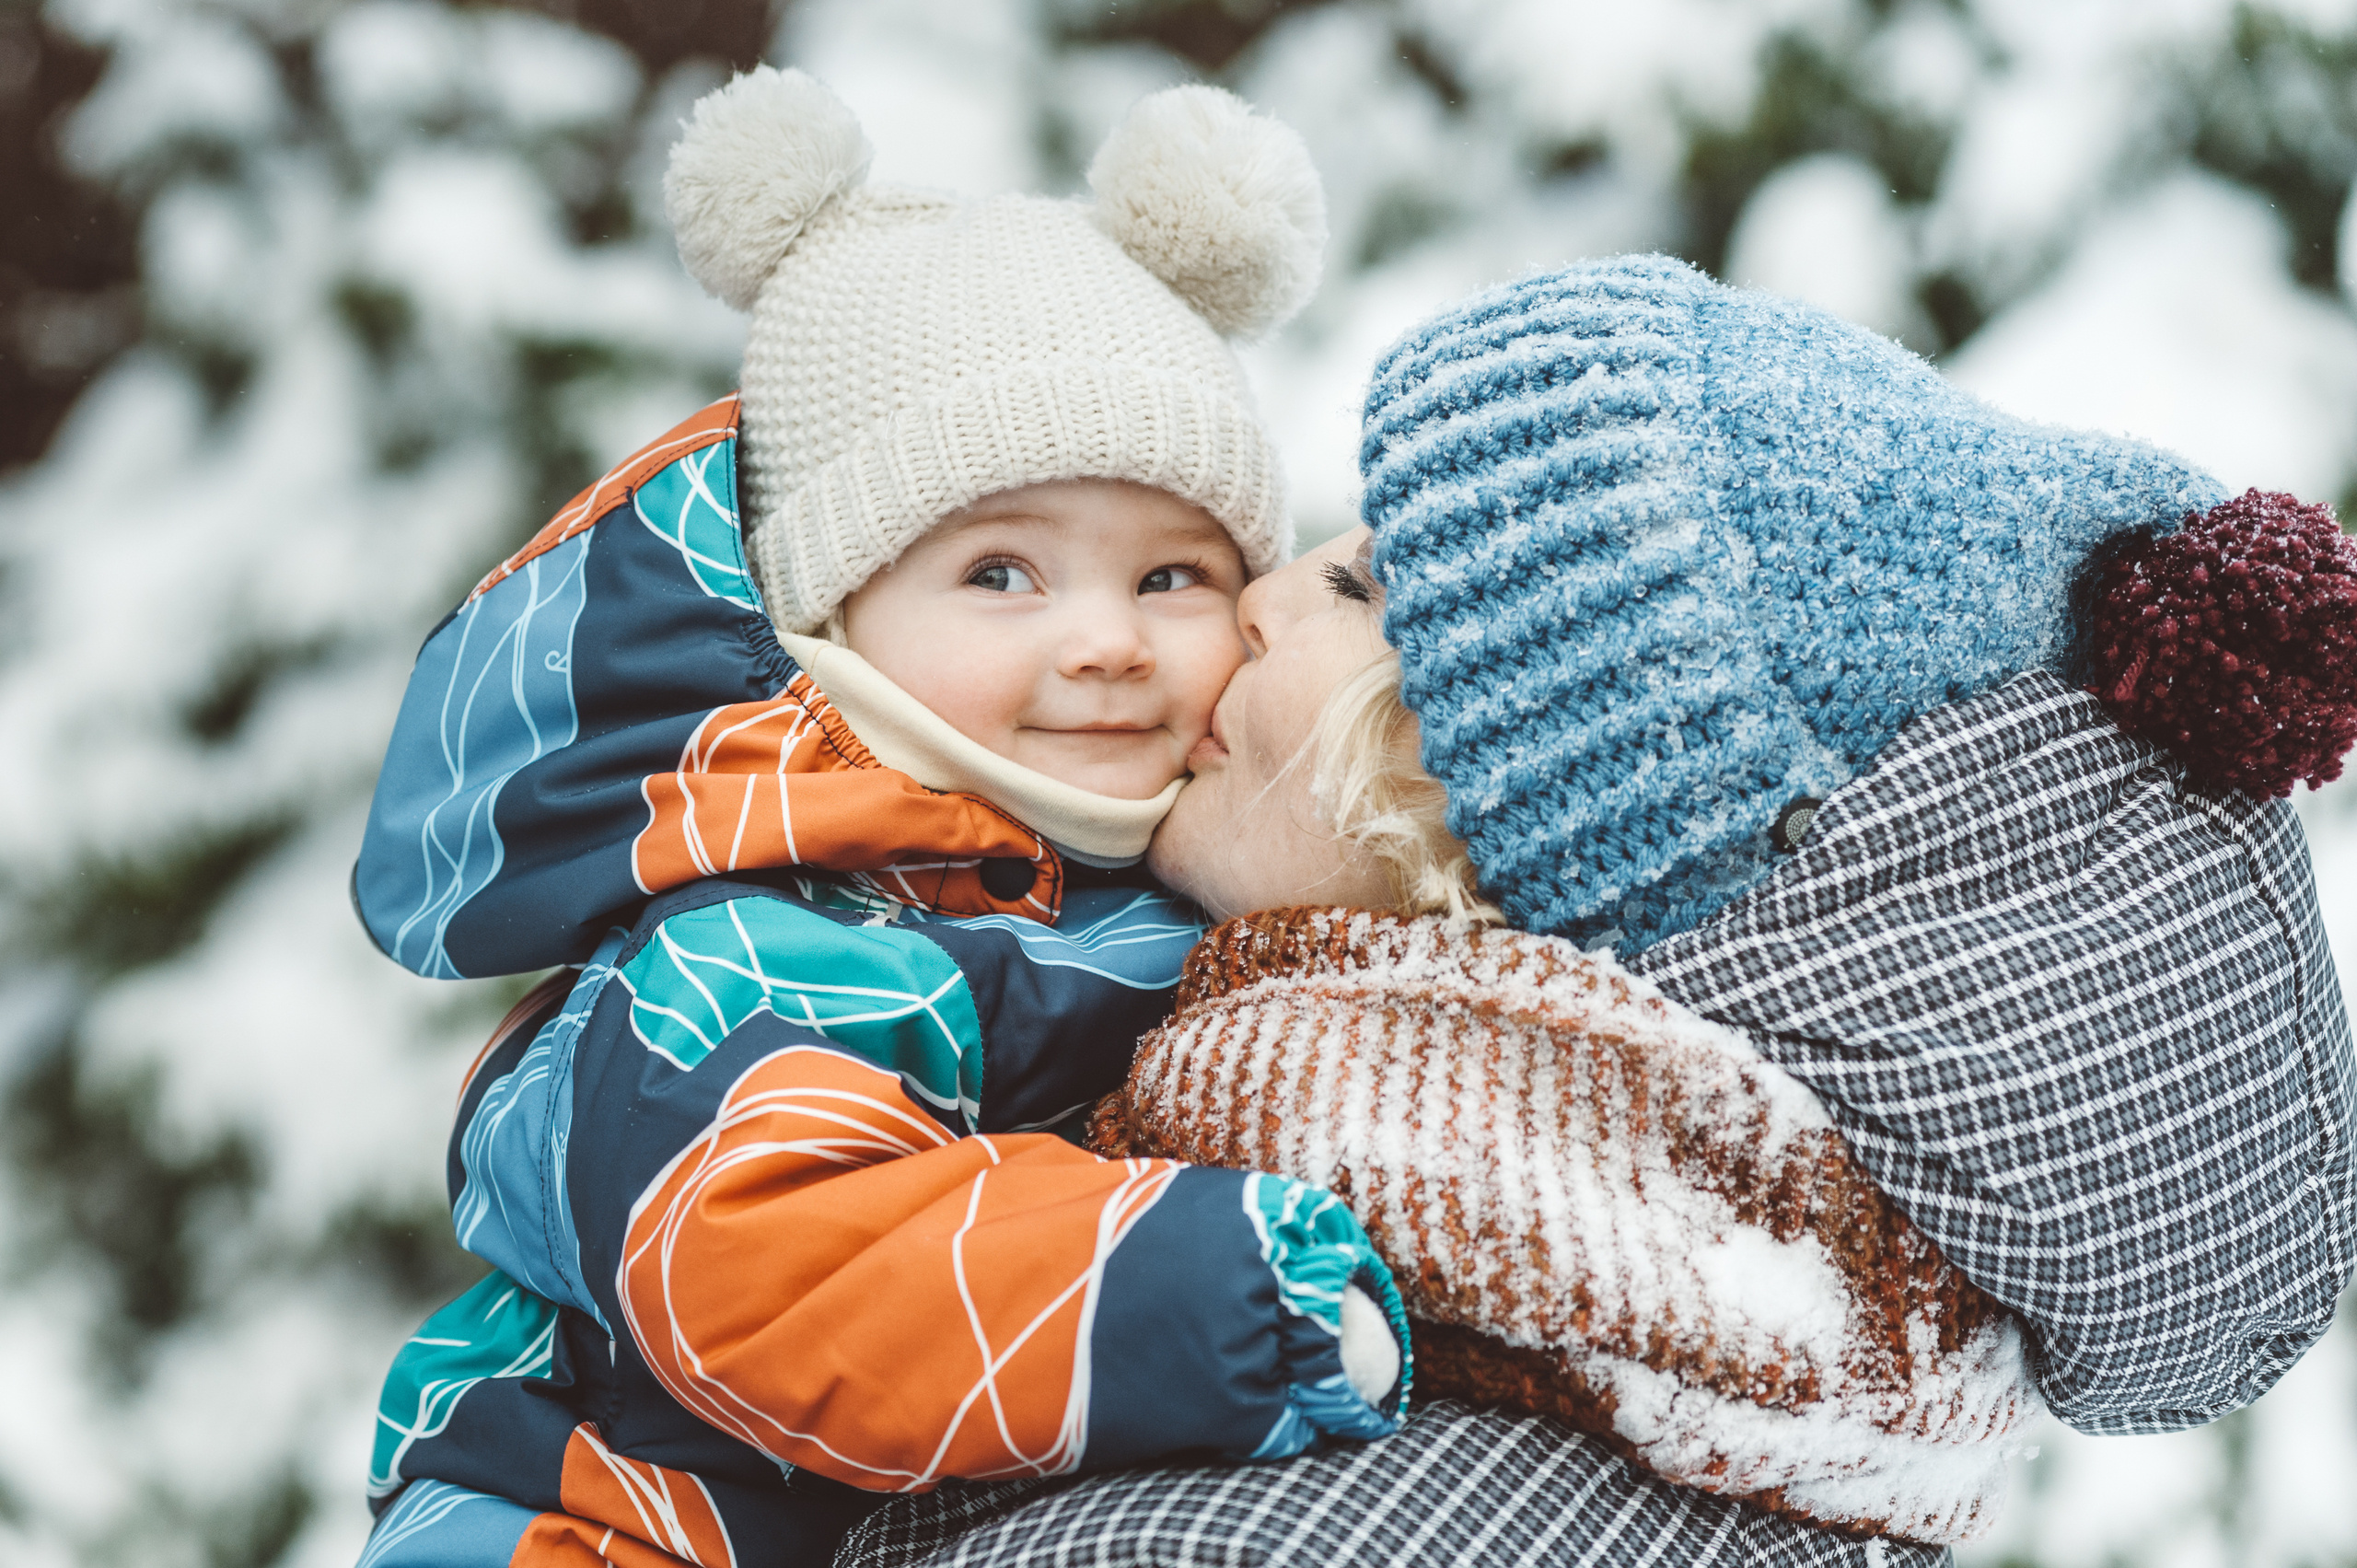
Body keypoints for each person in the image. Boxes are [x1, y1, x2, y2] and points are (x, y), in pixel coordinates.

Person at [832, 255, 2357, 1566]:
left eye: (1365, 595)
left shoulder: (1346, 1490)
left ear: (1531, 860)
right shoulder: (1608, 1365)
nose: (1259, 598)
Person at [348, 70, 1413, 1568]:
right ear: (831, 615)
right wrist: (1210, 1296)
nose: (1108, 640)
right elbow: (771, 1259)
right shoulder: (772, 936)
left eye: (1171, 576)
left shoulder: (1111, 878)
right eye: (1001, 574)